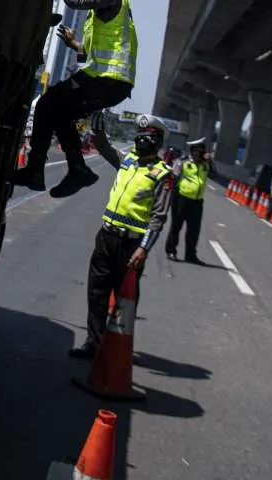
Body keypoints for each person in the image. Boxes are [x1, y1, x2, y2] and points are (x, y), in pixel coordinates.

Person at [14, 0, 137, 198]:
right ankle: (76, 170)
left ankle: (38, 171)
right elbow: (93, 53)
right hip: (107, 80)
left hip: (106, 79)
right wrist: (74, 45)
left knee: (47, 104)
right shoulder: (102, 14)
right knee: (59, 113)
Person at [69, 112, 173, 359]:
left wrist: (144, 249)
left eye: (147, 138)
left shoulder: (162, 174)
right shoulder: (127, 161)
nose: (141, 141)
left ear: (157, 142)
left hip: (132, 245)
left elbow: (158, 217)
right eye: (139, 136)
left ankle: (117, 348)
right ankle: (93, 342)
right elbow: (103, 147)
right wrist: (98, 130)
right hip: (106, 237)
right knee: (97, 293)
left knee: (125, 300)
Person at [166, 138, 213, 263]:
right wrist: (173, 200)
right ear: (193, 152)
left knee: (194, 230)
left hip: (197, 202)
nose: (201, 154)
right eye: (198, 151)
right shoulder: (182, 162)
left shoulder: (205, 165)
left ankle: (191, 255)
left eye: (202, 151)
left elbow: (214, 175)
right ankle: (171, 251)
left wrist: (210, 161)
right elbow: (173, 180)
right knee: (176, 226)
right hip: (181, 199)